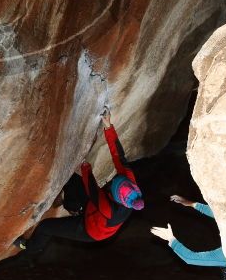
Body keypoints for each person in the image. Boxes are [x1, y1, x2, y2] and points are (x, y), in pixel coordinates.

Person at [14, 108, 144, 254]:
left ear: (116, 197)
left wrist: (84, 165)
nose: (113, 181)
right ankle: (73, 206)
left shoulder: (109, 209)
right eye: (117, 180)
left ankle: (29, 247)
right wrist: (108, 127)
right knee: (71, 179)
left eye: (113, 185)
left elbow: (92, 189)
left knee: (45, 227)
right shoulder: (128, 180)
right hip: (94, 209)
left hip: (90, 230)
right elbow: (118, 156)